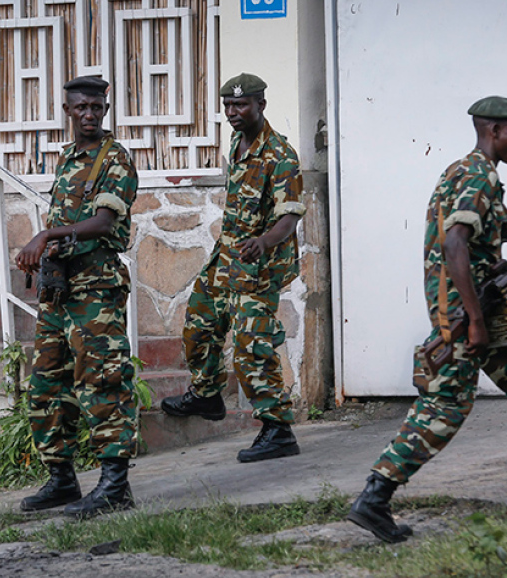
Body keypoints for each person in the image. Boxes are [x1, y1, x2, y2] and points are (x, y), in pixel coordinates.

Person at [346, 96, 507, 544]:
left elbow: (479, 256)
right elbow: (455, 247)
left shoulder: (470, 173)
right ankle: (375, 497)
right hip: (465, 317)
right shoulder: (477, 176)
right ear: (492, 131)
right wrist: (476, 323)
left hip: (482, 307)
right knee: (444, 407)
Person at [159, 73, 306, 463]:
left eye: (241, 105)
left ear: (261, 105)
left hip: (261, 267)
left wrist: (264, 241)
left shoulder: (280, 156)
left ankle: (278, 429)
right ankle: (207, 395)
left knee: (250, 344)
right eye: (228, 106)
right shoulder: (236, 143)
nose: (233, 113)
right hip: (227, 257)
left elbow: (289, 218)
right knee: (199, 323)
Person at [15, 76, 140, 518]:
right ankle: (61, 479)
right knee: (47, 385)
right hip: (59, 291)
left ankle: (115, 484)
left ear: (105, 109)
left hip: (96, 292)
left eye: (97, 107)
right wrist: (42, 252)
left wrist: (46, 233)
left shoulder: (116, 159)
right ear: (67, 111)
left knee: (103, 382)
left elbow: (104, 223)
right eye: (81, 108)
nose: (89, 114)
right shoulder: (68, 158)